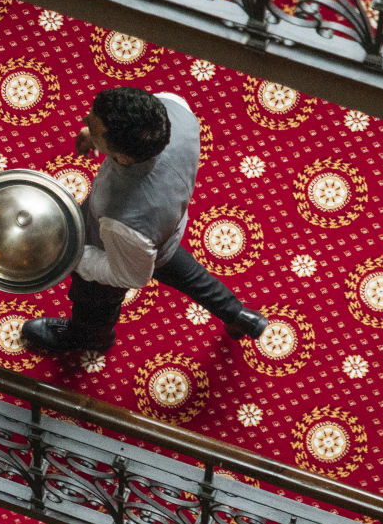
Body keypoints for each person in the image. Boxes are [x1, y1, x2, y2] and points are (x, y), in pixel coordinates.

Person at [22, 82, 268, 356]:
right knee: (177, 268)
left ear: (124, 157)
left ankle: (89, 337)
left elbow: (129, 274)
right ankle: (239, 316)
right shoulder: (176, 108)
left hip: (126, 237)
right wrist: (97, 136)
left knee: (95, 302)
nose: (84, 121)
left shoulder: (122, 215)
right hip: (163, 227)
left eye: (92, 124)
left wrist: (70, 254)